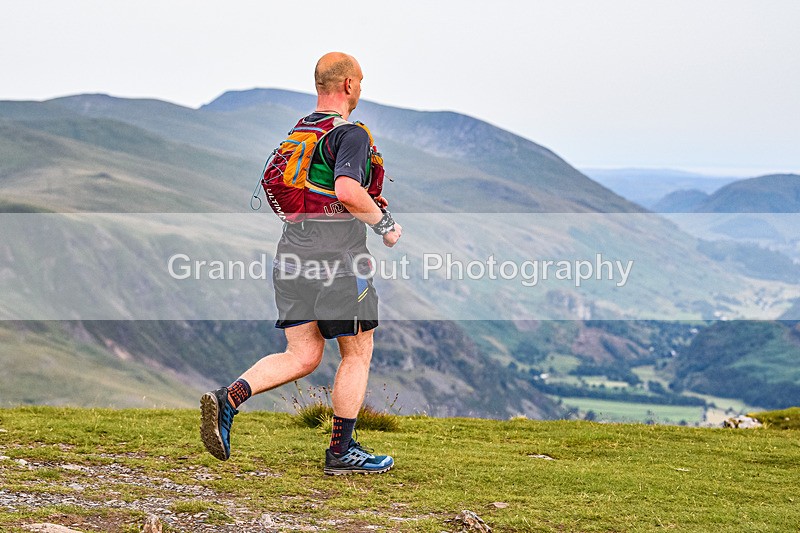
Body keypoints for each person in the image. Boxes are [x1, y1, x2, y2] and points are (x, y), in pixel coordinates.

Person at [200, 52, 402, 475]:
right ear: (348, 84)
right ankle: (342, 451)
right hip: (339, 261)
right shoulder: (350, 134)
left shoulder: (302, 130)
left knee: (303, 353)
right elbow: (347, 190)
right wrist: (385, 223)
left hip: (292, 255)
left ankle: (229, 398)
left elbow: (312, 194)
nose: (361, 90)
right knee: (357, 352)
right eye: (360, 83)